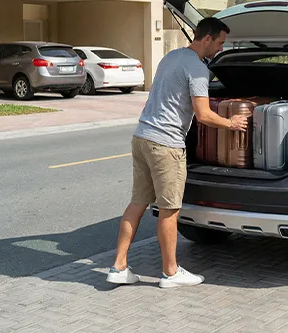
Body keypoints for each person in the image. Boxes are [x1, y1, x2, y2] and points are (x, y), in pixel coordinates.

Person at [106, 17, 248, 289]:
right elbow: (204, 115)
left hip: (142, 137)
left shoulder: (171, 57)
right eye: (219, 43)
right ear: (207, 38)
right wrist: (232, 123)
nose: (220, 49)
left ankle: (119, 266)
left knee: (137, 203)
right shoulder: (197, 68)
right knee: (169, 211)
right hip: (166, 145)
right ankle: (170, 273)